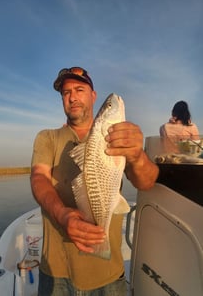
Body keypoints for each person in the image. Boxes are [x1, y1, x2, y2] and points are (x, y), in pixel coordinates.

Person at [30, 66, 159, 296]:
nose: (72, 97)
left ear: (93, 96)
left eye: (79, 89)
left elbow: (147, 182)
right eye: (66, 92)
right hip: (56, 271)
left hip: (108, 273)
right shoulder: (47, 137)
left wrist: (137, 155)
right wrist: (62, 214)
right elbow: (39, 177)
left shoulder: (118, 138)